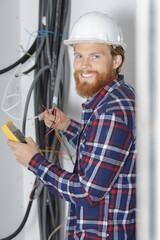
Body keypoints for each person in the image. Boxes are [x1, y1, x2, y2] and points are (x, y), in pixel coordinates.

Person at [8, 11, 136, 240]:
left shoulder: (112, 112)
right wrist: (66, 125)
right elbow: (103, 149)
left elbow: (86, 194)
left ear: (116, 60)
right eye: (78, 56)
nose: (84, 65)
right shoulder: (117, 97)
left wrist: (34, 161)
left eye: (95, 56)